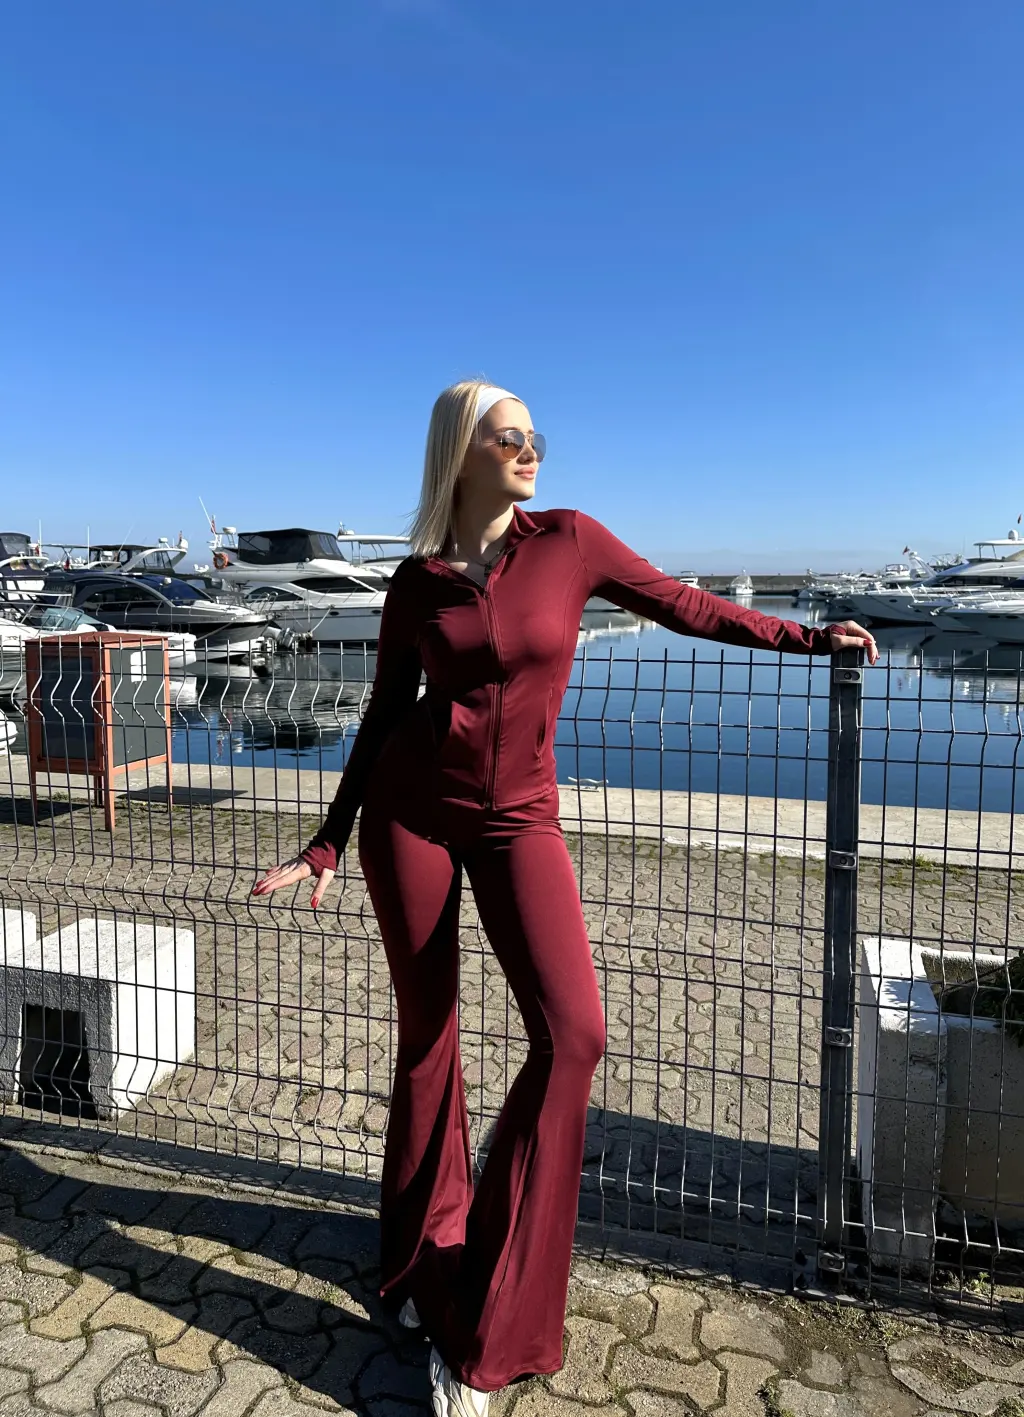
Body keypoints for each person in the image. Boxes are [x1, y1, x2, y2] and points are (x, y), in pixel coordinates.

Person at [252, 380, 877, 1415]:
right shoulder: (416, 582)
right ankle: (413, 1262)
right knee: (429, 1036)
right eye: (508, 435)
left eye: (534, 433)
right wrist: (328, 838)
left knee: (575, 1034)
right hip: (410, 817)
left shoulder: (571, 541)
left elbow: (684, 603)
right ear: (462, 452)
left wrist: (806, 639)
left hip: (519, 821)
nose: (530, 447)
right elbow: (383, 712)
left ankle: (485, 1310)